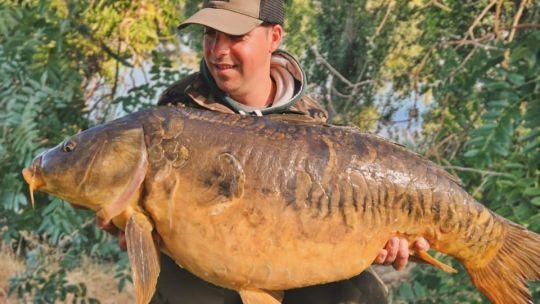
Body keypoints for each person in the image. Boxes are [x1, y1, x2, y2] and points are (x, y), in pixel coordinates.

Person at [100, 0, 430, 303]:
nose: (218, 50)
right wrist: (124, 220)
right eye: (210, 34)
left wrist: (376, 241)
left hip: (283, 258)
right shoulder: (178, 112)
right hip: (203, 268)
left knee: (365, 294)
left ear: (274, 37)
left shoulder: (311, 123)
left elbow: (323, 225)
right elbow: (133, 208)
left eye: (234, 36)